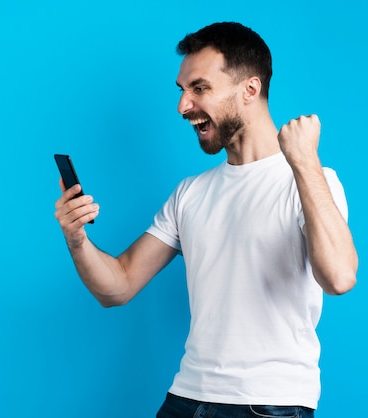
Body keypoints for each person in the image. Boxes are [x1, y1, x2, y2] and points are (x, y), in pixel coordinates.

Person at [54, 22, 358, 418]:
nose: (183, 106)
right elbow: (118, 287)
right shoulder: (190, 193)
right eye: (182, 91)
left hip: (267, 405)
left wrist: (303, 161)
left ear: (250, 90)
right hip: (185, 398)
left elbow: (339, 278)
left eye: (199, 88)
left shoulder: (312, 179)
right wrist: (77, 240)